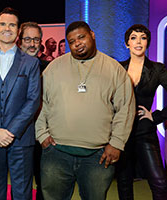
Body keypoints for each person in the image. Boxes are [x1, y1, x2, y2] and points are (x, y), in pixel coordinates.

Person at [35, 21, 135, 200]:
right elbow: (40, 103)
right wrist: (41, 134)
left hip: (97, 156)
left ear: (92, 35)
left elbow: (125, 108)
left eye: (81, 37)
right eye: (72, 41)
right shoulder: (54, 68)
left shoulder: (114, 69)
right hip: (56, 153)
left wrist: (117, 143)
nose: (77, 43)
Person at [0, 7, 41, 200]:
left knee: (22, 193)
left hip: (20, 139)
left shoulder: (30, 63)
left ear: (18, 30)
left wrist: (9, 132)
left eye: (12, 24)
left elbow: (33, 100)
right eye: (3, 24)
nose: (7, 28)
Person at [116, 24, 167, 200]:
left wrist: (156, 116)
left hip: (144, 131)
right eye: (133, 37)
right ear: (127, 43)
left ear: (147, 43)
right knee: (124, 181)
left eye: (143, 38)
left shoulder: (157, 69)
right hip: (121, 132)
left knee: (159, 182)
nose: (138, 42)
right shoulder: (117, 68)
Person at [17, 21, 49, 200]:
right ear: (20, 41)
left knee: (44, 184)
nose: (32, 44)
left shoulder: (48, 68)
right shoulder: (10, 68)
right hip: (19, 135)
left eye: (36, 39)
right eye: (27, 39)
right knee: (21, 183)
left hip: (43, 136)